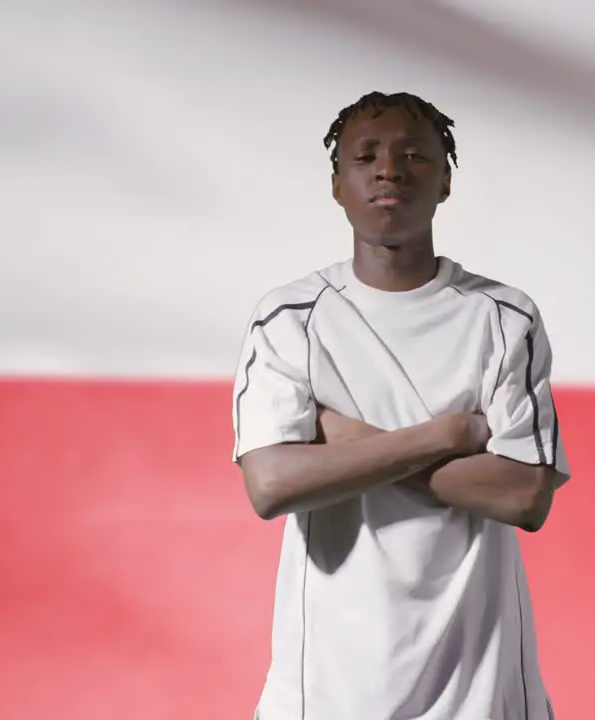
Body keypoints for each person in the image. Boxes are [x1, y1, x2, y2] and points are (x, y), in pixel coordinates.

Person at [230, 91, 570, 720]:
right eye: (366, 156)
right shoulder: (291, 320)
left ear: (445, 182)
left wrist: (342, 438)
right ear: (337, 184)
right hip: (328, 691)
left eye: (415, 154)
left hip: (482, 689)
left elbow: (523, 496)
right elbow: (271, 485)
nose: (389, 169)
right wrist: (446, 436)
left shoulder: (503, 318)